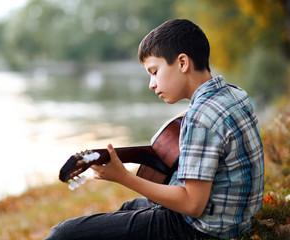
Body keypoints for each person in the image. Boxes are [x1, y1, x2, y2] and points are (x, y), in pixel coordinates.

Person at [43, 18, 264, 240]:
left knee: (63, 233)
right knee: (129, 207)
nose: (151, 84)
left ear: (182, 63)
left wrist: (123, 177)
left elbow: (192, 205)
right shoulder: (234, 94)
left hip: (202, 230)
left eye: (154, 71)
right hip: (235, 219)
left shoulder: (201, 118)